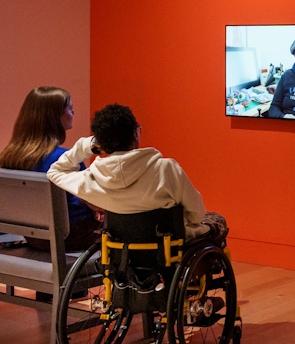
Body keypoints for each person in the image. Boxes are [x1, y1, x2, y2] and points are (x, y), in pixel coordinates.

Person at [48, 103, 226, 242]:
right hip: (167, 245)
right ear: (135, 135)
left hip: (120, 244)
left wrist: (86, 146)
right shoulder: (166, 169)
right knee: (216, 221)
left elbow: (55, 171)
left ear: (100, 142)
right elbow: (197, 215)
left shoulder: (91, 179)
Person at [0, 86, 100, 253]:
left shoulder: (11, 156)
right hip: (70, 237)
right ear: (54, 117)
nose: (73, 113)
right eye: (70, 109)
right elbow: (90, 199)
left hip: (34, 237)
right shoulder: (66, 158)